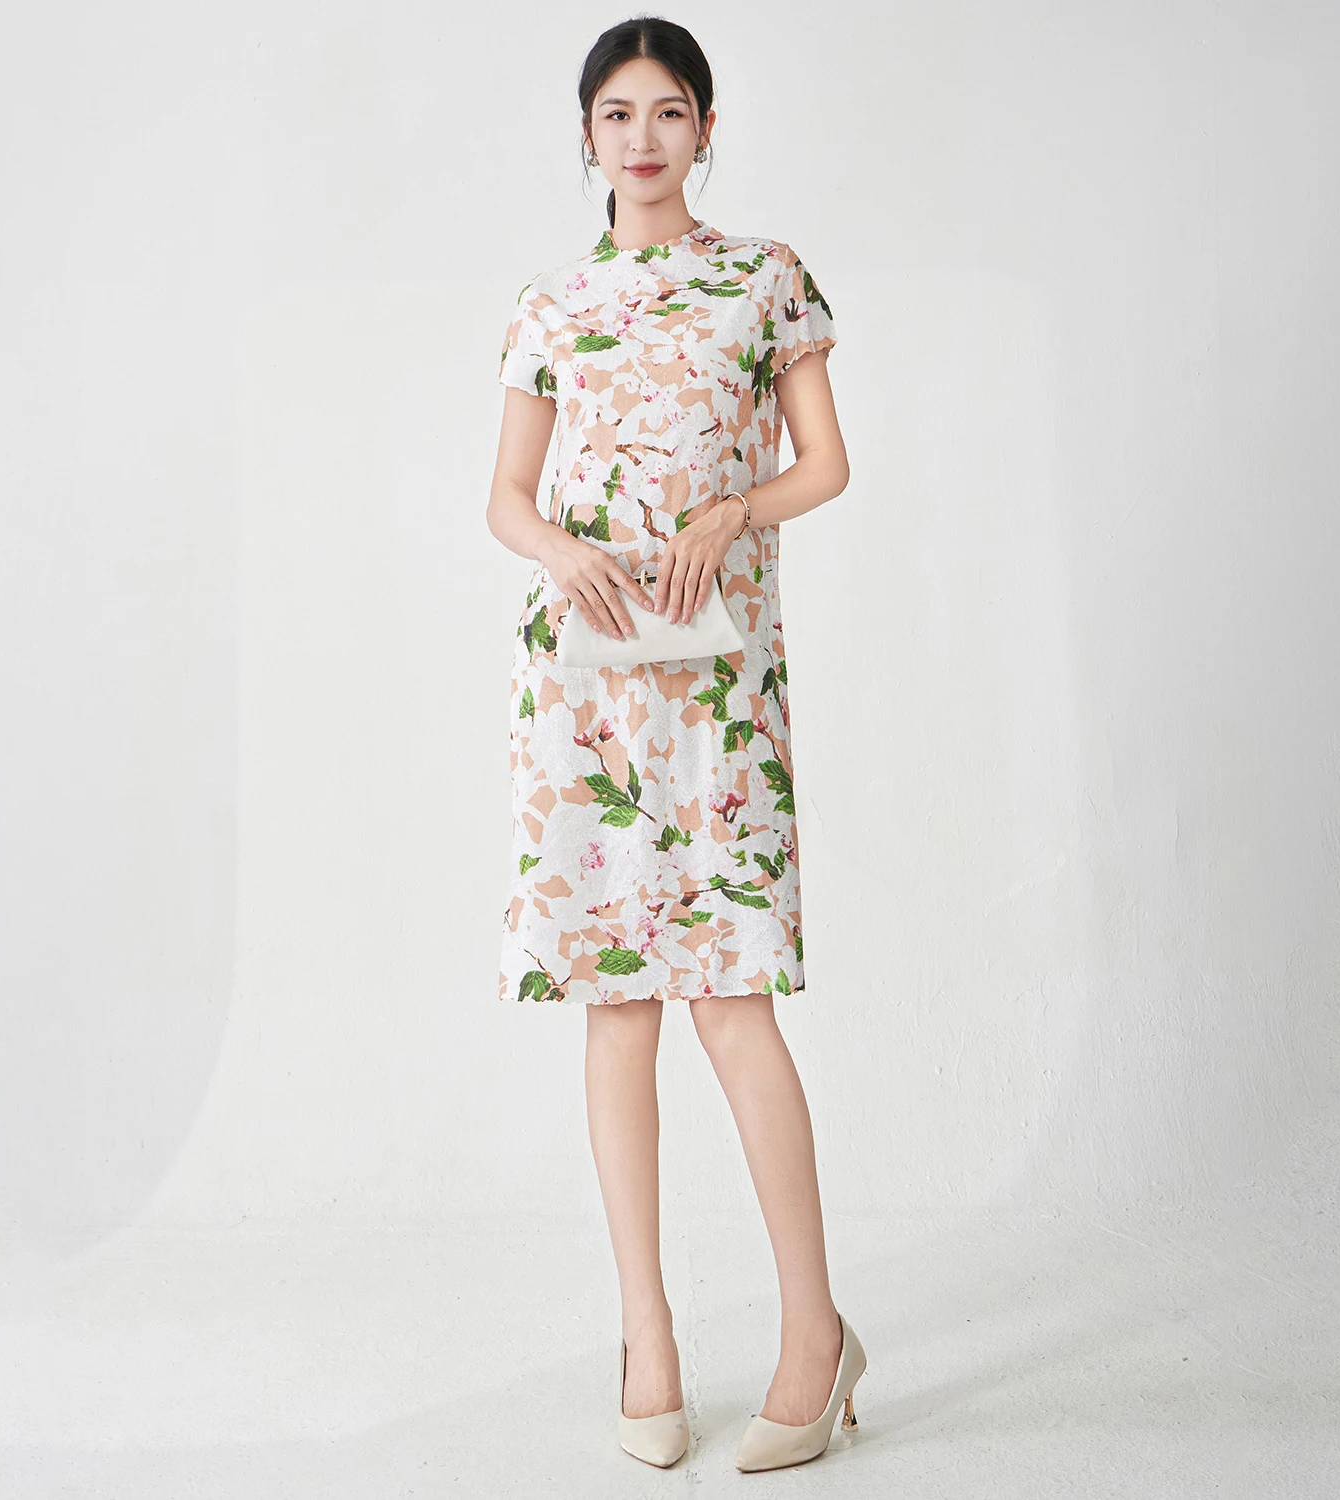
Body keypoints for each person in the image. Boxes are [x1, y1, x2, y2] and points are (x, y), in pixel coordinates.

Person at [485, 17, 864, 1474]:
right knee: (618, 1012)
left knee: (731, 1005)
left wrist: (732, 510)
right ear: (586, 135)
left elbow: (825, 463)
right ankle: (647, 1338)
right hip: (586, 686)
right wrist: (561, 551)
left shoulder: (763, 280)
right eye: (617, 113)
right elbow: (506, 497)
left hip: (715, 693)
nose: (641, 137)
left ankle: (815, 1337)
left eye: (668, 111)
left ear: (706, 129)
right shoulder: (550, 304)